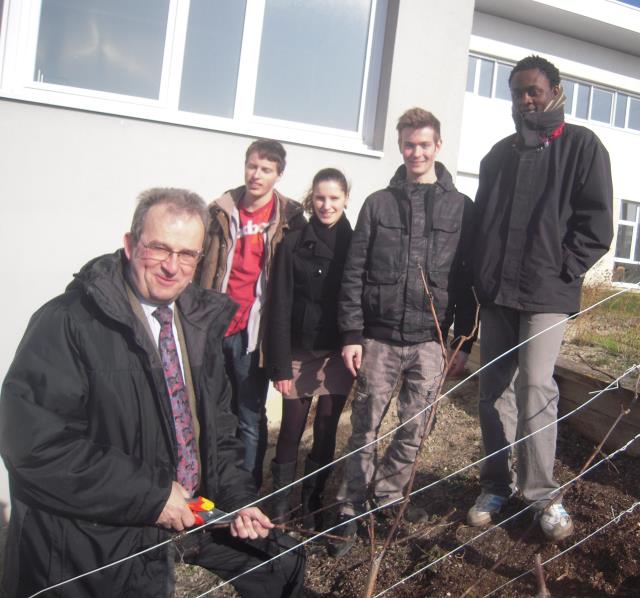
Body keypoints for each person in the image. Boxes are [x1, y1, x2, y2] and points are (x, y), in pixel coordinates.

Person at [0, 189, 305, 597]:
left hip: (186, 513)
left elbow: (220, 433)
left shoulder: (198, 324)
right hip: (95, 534)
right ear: (129, 245)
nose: (171, 267)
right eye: (159, 249)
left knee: (283, 564)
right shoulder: (67, 323)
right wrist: (151, 497)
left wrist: (238, 501)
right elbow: (34, 447)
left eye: (186, 254)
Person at [467, 55, 613, 542]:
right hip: (498, 294)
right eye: (516, 92)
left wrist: (563, 270)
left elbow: (596, 228)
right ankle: (495, 484)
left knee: (535, 386)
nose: (524, 99)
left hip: (546, 292)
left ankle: (543, 494)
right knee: (493, 394)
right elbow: (483, 224)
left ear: (555, 92)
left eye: (532, 90)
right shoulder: (498, 156)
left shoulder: (582, 147)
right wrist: (481, 279)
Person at [329, 108, 477, 557]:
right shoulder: (378, 203)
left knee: (416, 428)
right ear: (401, 147)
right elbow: (353, 273)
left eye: (424, 144)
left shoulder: (461, 207)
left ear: (438, 146)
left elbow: (468, 278)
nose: (417, 152)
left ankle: (388, 496)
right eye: (409, 144)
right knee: (365, 427)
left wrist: (463, 341)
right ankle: (350, 508)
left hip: (431, 340)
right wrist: (352, 334)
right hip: (378, 338)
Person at [197, 139, 306, 490]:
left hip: (253, 332)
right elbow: (202, 268)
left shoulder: (289, 218)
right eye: (252, 166)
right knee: (213, 412)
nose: (256, 175)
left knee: (248, 415)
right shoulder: (219, 210)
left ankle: (246, 491)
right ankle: (214, 483)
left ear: (278, 175)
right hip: (216, 328)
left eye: (266, 170)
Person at [265, 168, 354, 530]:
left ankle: (312, 503)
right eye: (320, 198)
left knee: (326, 430)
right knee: (290, 430)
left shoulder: (356, 241)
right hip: (299, 352)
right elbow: (279, 304)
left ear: (346, 198)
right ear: (311, 198)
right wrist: (280, 366)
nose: (326, 205)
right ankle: (280, 507)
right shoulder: (293, 241)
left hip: (337, 352)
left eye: (334, 198)